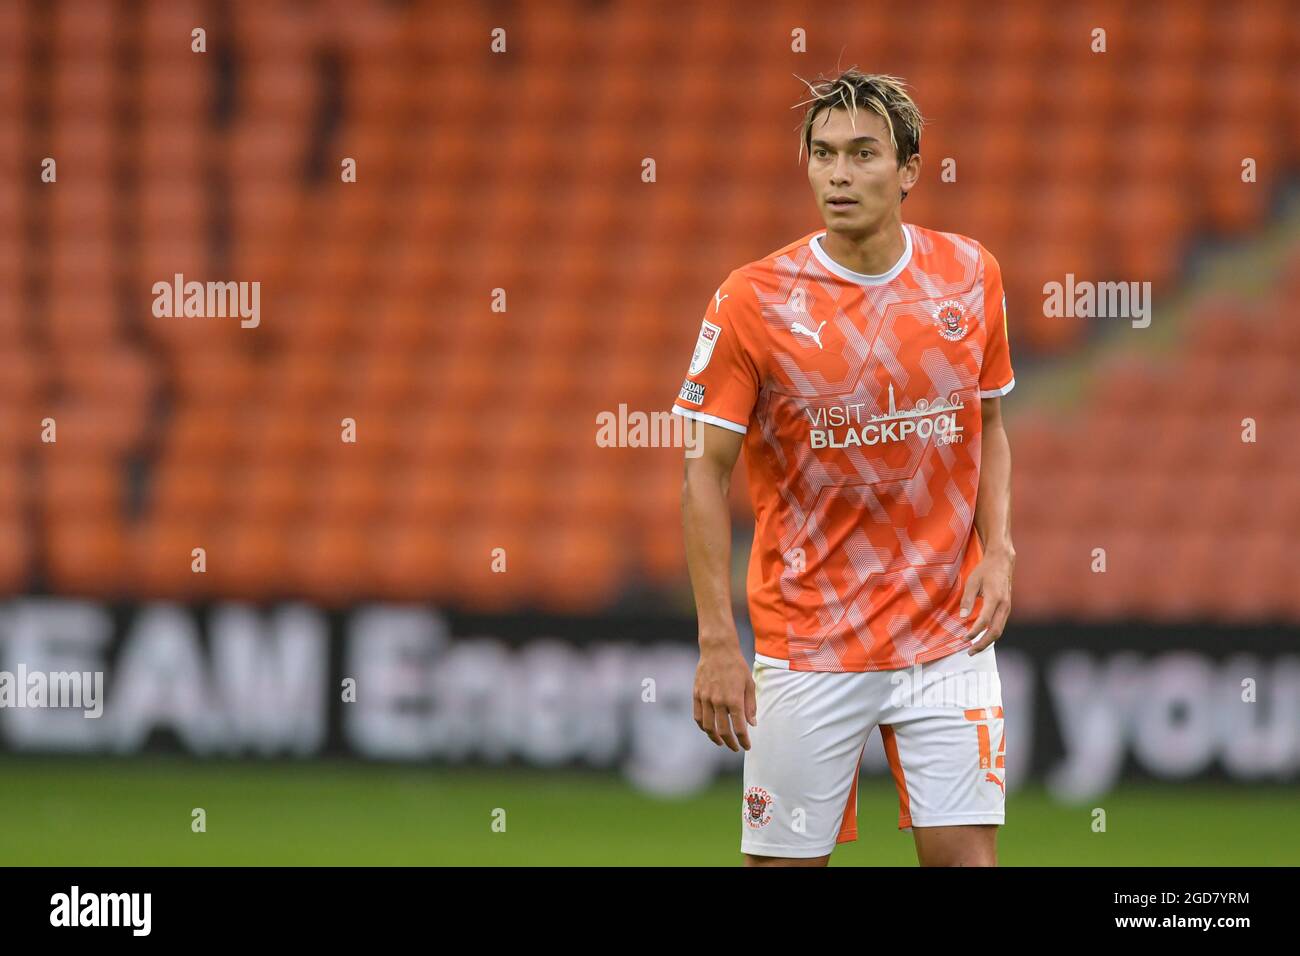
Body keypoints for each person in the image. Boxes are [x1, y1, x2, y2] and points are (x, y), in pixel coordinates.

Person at [672, 70, 1016, 866]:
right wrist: (718, 640)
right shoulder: (751, 300)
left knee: (967, 859)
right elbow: (701, 470)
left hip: (946, 634)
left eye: (864, 154)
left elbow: (991, 420)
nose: (839, 173)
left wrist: (999, 551)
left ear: (909, 170)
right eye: (823, 154)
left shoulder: (970, 275)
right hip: (808, 638)